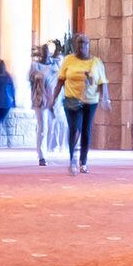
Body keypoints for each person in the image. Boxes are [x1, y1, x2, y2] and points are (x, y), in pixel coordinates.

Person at [55, 35, 101, 170]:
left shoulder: (95, 62)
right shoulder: (68, 60)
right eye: (79, 44)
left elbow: (101, 82)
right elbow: (60, 80)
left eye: (84, 44)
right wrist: (53, 98)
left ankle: (83, 161)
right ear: (76, 45)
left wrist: (105, 98)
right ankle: (72, 159)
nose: (82, 47)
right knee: (74, 128)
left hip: (90, 101)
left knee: (86, 130)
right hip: (72, 100)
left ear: (88, 46)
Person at [26, 43, 55, 164]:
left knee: (51, 126)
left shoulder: (54, 66)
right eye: (44, 50)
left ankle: (49, 151)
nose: (45, 53)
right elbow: (31, 80)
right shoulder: (35, 66)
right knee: (42, 127)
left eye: (47, 50)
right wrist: (37, 78)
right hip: (40, 99)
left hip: (53, 99)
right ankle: (41, 155)